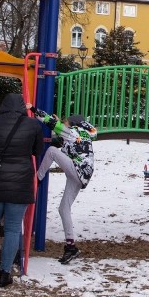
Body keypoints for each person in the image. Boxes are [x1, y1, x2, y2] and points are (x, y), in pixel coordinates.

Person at [0, 93, 44, 288]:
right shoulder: (32, 125)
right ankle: (5, 274)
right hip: (20, 184)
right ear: (23, 106)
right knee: (13, 229)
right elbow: (37, 151)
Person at [36, 113, 97, 264]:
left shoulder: (73, 131)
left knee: (51, 151)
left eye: (65, 121)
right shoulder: (83, 134)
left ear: (71, 123)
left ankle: (37, 177)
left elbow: (53, 125)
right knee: (64, 208)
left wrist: (35, 110)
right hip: (81, 174)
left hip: (78, 169)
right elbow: (64, 137)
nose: (63, 122)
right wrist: (58, 125)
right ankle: (71, 247)